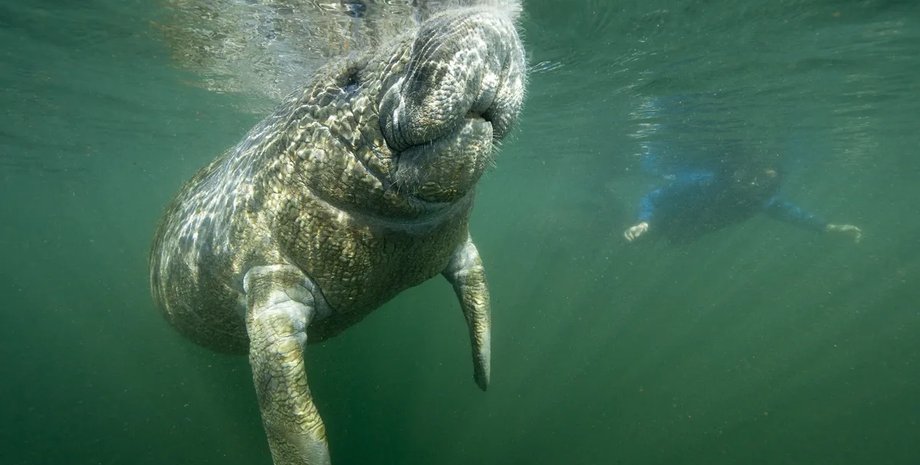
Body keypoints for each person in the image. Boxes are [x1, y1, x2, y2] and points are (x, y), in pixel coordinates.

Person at [623, 160, 863, 243]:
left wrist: (827, 228)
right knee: (617, 231)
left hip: (678, 234)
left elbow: (791, 213)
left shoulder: (759, 201)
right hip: (652, 223)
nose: (756, 186)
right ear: (744, 172)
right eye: (756, 178)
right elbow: (654, 197)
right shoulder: (707, 181)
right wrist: (644, 221)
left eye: (767, 184)